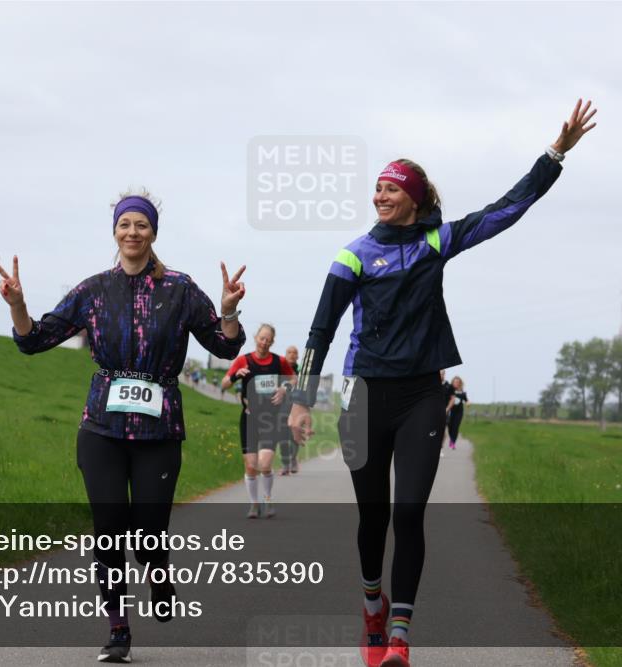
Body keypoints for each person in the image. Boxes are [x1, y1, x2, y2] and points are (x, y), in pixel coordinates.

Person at [289, 100, 597, 667]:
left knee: (408, 514)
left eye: (391, 188)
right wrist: (303, 400)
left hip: (421, 398)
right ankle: (372, 606)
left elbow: (507, 209)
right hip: (364, 395)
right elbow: (321, 328)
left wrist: (554, 155)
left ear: (416, 197)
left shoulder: (439, 241)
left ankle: (400, 635)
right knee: (372, 519)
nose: (380, 195)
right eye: (377, 188)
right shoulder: (352, 256)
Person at [0, 190, 245, 663]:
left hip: (159, 431)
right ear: (115, 231)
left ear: (154, 233)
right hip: (102, 428)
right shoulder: (93, 290)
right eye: (125, 224)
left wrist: (229, 310)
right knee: (108, 529)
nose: (133, 232)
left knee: (149, 532)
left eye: (142, 225)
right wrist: (17, 305)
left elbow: (224, 347)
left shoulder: (180, 288)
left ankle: (158, 570)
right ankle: (118, 629)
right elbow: (35, 340)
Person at [222, 324, 295, 518]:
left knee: (265, 464)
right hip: (249, 419)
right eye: (261, 338)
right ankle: (254, 504)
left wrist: (284, 389)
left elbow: (293, 378)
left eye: (268, 339)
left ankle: (268, 499)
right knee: (251, 466)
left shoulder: (279, 362)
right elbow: (224, 383)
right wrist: (236, 375)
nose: (264, 342)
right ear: (255, 337)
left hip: (270, 419)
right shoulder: (243, 361)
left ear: (272, 342)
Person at [279, 345, 302, 475]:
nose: (292, 354)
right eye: (289, 352)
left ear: (297, 356)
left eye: (294, 352)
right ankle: (285, 463)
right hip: (281, 409)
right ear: (285, 355)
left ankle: (293, 459)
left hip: (296, 407)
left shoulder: (301, 371)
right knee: (282, 437)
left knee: (294, 437)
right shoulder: (280, 370)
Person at [446, 376, 469, 450]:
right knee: (450, 427)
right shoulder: (449, 390)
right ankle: (451, 439)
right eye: (455, 382)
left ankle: (452, 442)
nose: (456, 383)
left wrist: (468, 403)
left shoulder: (462, 393)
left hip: (459, 412)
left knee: (455, 427)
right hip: (451, 411)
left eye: (458, 382)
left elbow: (466, 400)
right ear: (452, 382)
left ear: (460, 383)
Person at [438, 370, 454, 458]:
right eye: (439, 374)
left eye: (442, 374)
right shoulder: (432, 385)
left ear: (444, 374)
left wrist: (447, 409)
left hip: (444, 412)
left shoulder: (449, 386)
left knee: (443, 432)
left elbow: (453, 399)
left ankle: (440, 448)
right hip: (432, 412)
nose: (441, 375)